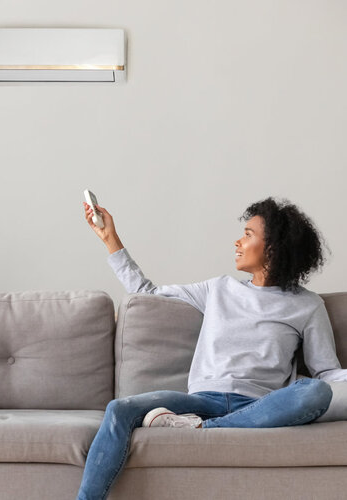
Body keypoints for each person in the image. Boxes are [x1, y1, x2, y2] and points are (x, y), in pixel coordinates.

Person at [77, 196, 346, 500]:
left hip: (258, 406)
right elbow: (148, 293)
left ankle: (200, 428)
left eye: (248, 234)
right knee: (119, 409)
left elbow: (327, 372)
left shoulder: (308, 306)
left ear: (273, 246)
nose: (238, 242)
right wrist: (110, 239)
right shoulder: (218, 288)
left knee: (315, 391)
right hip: (200, 401)